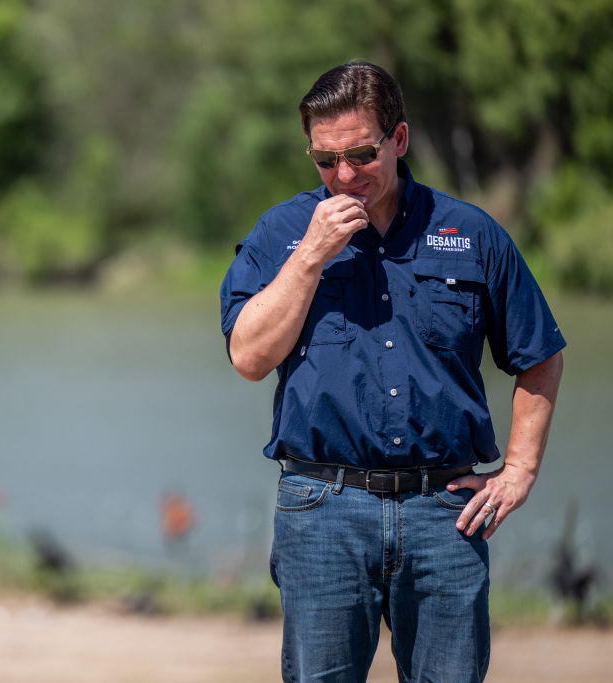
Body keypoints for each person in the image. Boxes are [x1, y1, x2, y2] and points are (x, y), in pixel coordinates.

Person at [219, 62, 565, 682]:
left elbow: (539, 355)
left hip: (445, 513)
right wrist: (310, 257)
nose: (344, 175)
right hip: (322, 508)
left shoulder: (470, 232)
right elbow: (248, 357)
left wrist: (519, 470)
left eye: (360, 154)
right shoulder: (281, 233)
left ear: (398, 139)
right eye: (326, 161)